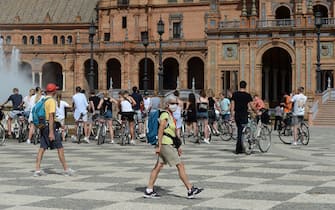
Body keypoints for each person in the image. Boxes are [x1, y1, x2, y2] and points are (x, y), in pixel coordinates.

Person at [144, 94, 203, 199]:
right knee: (180, 165)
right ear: (167, 104)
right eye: (172, 103)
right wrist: (159, 145)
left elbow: (173, 133)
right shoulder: (165, 115)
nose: (175, 105)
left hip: (169, 144)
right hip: (165, 144)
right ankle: (190, 189)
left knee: (158, 166)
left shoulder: (171, 115)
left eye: (176, 103)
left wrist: (178, 146)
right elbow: (161, 130)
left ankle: (149, 189)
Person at [34, 83, 74, 177]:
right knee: (60, 148)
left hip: (43, 126)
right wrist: (52, 132)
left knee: (42, 148)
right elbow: (51, 116)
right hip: (50, 127)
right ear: (54, 91)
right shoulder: (51, 101)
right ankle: (66, 169)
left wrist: (59, 125)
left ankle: (37, 170)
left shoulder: (43, 99)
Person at [230, 81, 253, 154]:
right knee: (243, 131)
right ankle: (240, 148)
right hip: (244, 114)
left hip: (237, 114)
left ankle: (239, 148)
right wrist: (255, 111)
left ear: (239, 86)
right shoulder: (247, 95)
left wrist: (232, 115)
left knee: (239, 130)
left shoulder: (235, 94)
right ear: (245, 86)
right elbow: (251, 105)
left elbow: (232, 106)